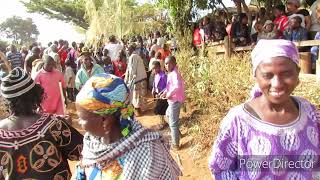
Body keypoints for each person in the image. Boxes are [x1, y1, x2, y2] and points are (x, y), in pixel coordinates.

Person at [208, 39, 320, 179]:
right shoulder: (237, 121)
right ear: (255, 75)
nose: (277, 84)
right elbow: (221, 169)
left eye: (286, 74)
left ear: (297, 72)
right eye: (267, 75)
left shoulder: (310, 113)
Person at [73, 73, 181, 179]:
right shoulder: (92, 143)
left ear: (104, 120)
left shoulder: (149, 156)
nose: (79, 122)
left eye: (82, 118)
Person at [0, 67, 83, 179]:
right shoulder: (53, 124)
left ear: (6, 101)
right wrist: (66, 129)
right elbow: (82, 153)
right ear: (36, 94)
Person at [160, 56, 185, 150]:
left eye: (169, 63)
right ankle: (177, 134)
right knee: (168, 115)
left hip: (175, 100)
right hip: (172, 100)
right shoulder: (170, 73)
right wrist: (165, 92)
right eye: (166, 63)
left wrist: (169, 94)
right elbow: (170, 86)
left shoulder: (174, 73)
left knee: (173, 123)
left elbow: (177, 86)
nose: (167, 65)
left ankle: (176, 144)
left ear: (174, 63)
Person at [124, 44, 148, 116]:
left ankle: (138, 112)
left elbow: (132, 70)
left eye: (128, 50)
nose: (127, 51)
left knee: (137, 96)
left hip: (138, 79)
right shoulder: (135, 56)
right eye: (127, 50)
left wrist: (129, 81)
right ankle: (141, 110)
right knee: (140, 95)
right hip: (141, 78)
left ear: (132, 50)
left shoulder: (133, 57)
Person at [152, 61, 168, 130]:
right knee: (159, 110)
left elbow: (168, 86)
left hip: (162, 96)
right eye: (153, 69)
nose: (154, 70)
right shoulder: (156, 75)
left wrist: (161, 93)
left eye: (155, 68)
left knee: (159, 109)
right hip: (157, 95)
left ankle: (163, 123)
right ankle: (163, 122)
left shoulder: (163, 75)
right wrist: (153, 89)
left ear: (159, 67)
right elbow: (155, 83)